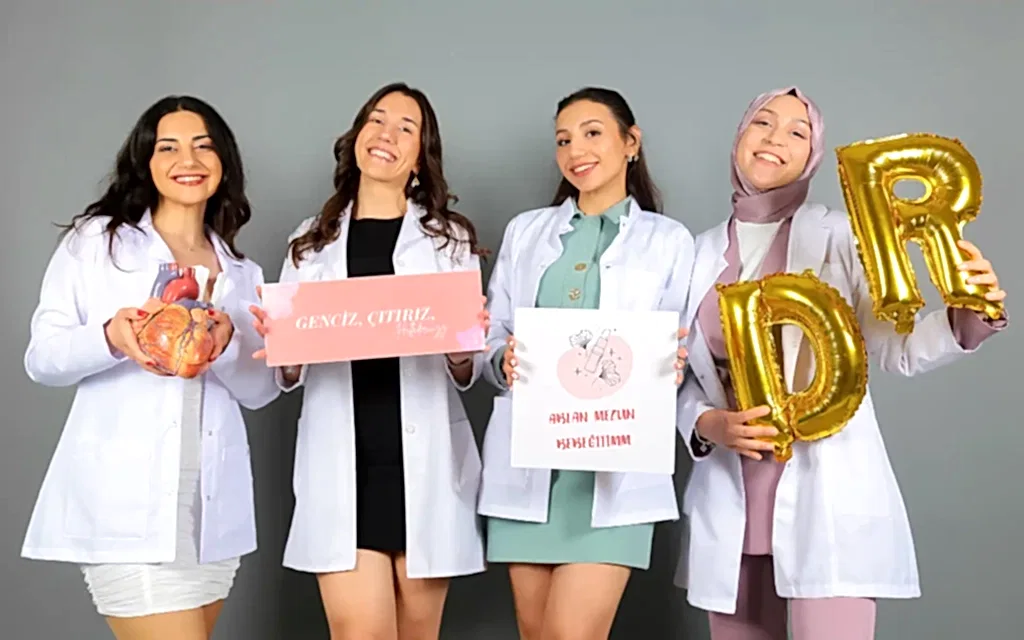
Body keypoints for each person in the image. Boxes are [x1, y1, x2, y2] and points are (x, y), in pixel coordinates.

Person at [674, 86, 1008, 640]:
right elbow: (679, 373)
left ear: (814, 156)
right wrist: (707, 423)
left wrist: (968, 317)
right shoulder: (694, 252)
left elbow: (897, 347)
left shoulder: (841, 238)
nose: (775, 139)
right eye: (762, 123)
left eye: (797, 132)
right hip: (732, 497)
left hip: (826, 496)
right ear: (739, 137)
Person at [21, 95, 278, 640]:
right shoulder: (99, 243)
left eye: (203, 146)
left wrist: (228, 344)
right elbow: (42, 357)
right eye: (169, 148)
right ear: (146, 161)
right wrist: (112, 337)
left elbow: (261, 391)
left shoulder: (242, 271)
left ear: (223, 161)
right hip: (125, 508)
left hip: (210, 516)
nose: (188, 160)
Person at [249, 82, 488, 640]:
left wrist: (462, 348)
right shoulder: (310, 242)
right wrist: (282, 348)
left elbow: (466, 370)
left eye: (407, 128)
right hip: (344, 465)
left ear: (420, 158)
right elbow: (290, 372)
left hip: (423, 464)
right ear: (357, 136)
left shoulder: (448, 240)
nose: (387, 135)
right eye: (376, 120)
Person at [476, 87, 694, 640]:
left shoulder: (668, 241)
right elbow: (492, 332)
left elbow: (683, 345)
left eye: (593, 133)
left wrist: (672, 365)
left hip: (615, 470)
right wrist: (500, 358)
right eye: (563, 140)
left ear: (631, 142)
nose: (576, 150)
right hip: (529, 468)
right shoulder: (526, 231)